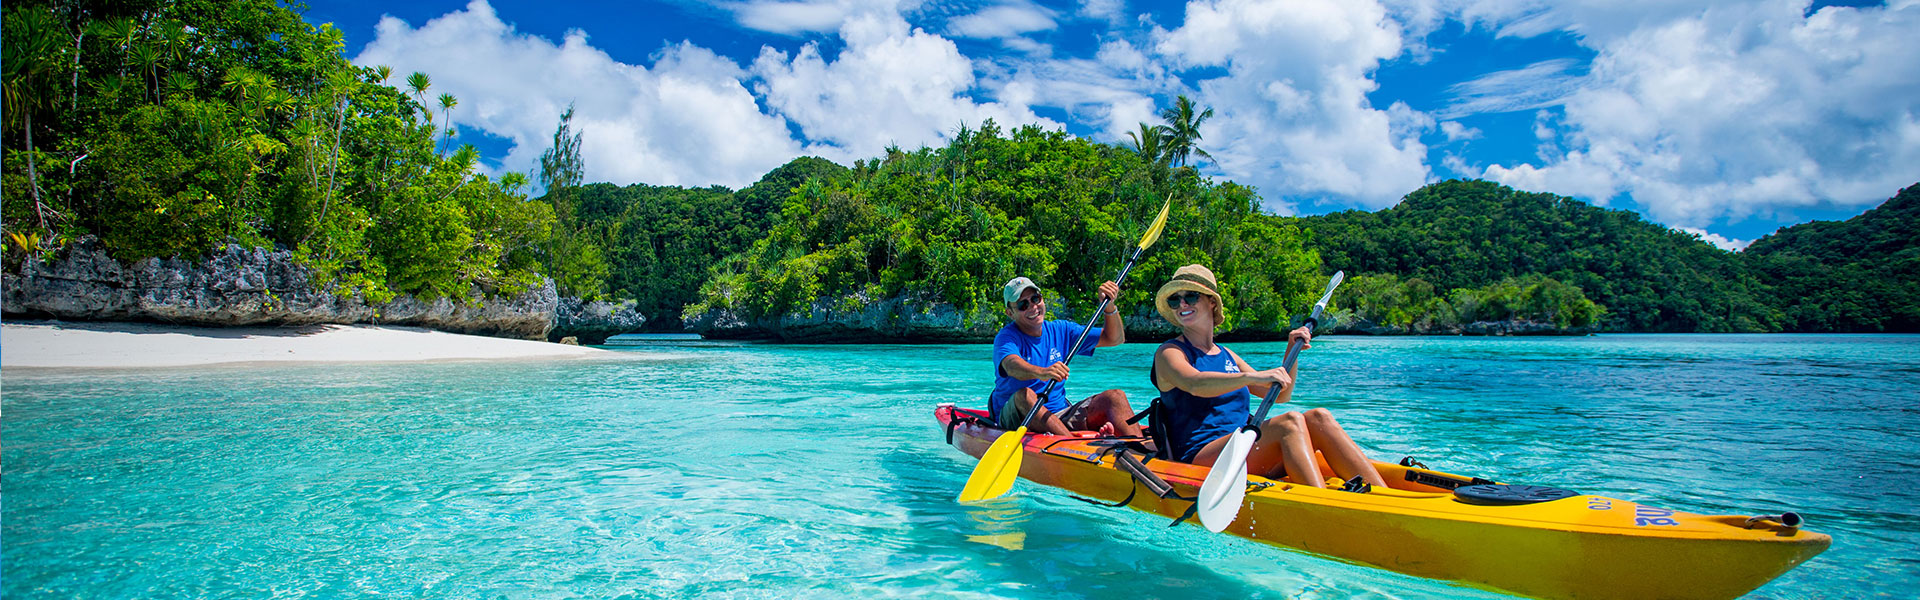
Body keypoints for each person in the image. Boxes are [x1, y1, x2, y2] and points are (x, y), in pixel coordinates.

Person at [1147, 264, 1385, 488]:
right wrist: (1251, 378)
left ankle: (1381, 494)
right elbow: (1194, 383)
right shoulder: (1170, 352)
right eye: (1174, 299)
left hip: (1245, 447)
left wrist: (1291, 351)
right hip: (1203, 456)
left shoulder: (1228, 354)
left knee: (1319, 417)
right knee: (1289, 423)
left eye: (1190, 296)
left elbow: (1280, 395)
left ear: (1212, 303)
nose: (1181, 304)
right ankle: (1321, 504)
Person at [989, 276, 1143, 437]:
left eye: (1035, 299)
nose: (1033, 307)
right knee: (1025, 395)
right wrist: (1042, 372)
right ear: (1010, 313)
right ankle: (1072, 445)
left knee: (1115, 397)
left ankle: (1139, 452)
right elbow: (1011, 365)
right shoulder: (1006, 337)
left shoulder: (1062, 329)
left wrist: (1109, 307)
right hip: (1016, 417)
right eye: (1023, 304)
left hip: (1059, 415)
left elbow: (1114, 339)